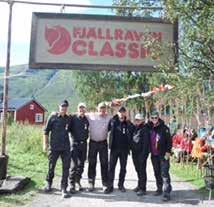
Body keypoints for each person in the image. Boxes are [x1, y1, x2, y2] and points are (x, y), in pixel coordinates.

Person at [43, 100, 71, 198]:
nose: (64, 108)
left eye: (65, 106)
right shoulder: (53, 117)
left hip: (66, 148)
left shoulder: (69, 119)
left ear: (67, 108)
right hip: (54, 147)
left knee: (66, 168)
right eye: (62, 106)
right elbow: (46, 132)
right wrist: (45, 144)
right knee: (51, 166)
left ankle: (64, 188)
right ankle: (48, 183)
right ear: (59, 107)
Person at [105, 106, 134, 193]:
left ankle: (121, 185)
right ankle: (110, 186)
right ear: (117, 113)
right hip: (114, 149)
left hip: (124, 150)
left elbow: (134, 130)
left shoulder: (128, 123)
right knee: (111, 168)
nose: (121, 113)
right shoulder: (113, 121)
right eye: (120, 112)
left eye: (123, 112)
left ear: (125, 113)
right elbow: (106, 129)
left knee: (123, 168)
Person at [86, 102, 111, 192]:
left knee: (104, 164)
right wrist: (58, 113)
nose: (102, 110)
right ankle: (91, 183)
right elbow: (79, 113)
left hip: (103, 143)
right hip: (93, 143)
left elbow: (120, 114)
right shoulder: (91, 115)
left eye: (104, 108)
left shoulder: (109, 117)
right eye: (101, 108)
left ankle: (105, 183)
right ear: (97, 108)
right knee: (92, 163)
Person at [148, 111, 172, 202]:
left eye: (155, 117)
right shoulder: (150, 127)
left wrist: (168, 152)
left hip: (163, 155)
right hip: (154, 155)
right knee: (157, 173)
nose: (154, 119)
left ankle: (167, 193)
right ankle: (159, 189)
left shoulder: (165, 128)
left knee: (164, 174)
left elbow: (169, 141)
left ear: (158, 118)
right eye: (152, 118)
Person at [69, 103, 89, 193]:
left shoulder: (86, 119)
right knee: (74, 165)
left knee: (81, 165)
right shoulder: (72, 118)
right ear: (77, 109)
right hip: (75, 145)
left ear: (85, 110)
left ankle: (78, 181)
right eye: (80, 108)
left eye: (83, 108)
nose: (81, 110)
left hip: (84, 145)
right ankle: (71, 184)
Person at [131, 113, 150, 196]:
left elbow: (146, 144)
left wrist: (144, 154)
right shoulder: (135, 128)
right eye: (136, 120)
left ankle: (143, 188)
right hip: (135, 153)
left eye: (138, 120)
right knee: (138, 170)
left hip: (141, 153)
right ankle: (139, 185)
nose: (137, 121)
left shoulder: (145, 129)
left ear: (142, 120)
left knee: (142, 171)